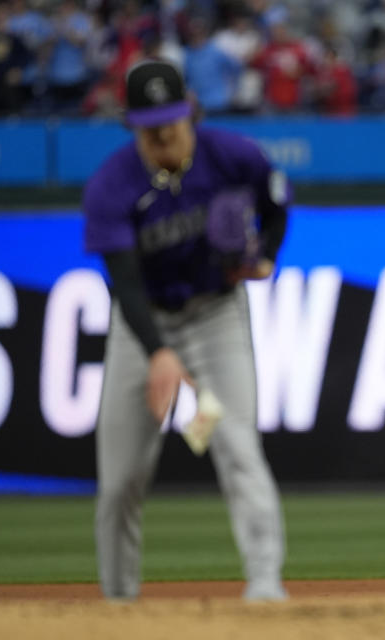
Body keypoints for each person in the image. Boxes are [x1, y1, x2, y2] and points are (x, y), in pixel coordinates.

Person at [83, 59, 289, 601]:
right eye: (150, 130)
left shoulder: (232, 154)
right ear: (131, 126)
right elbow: (125, 286)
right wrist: (158, 352)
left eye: (171, 126)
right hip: (142, 324)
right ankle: (118, 604)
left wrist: (265, 256)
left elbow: (277, 203)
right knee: (122, 476)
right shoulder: (111, 185)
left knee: (237, 446)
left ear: (190, 113)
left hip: (217, 314)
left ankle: (266, 589)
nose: (163, 137)